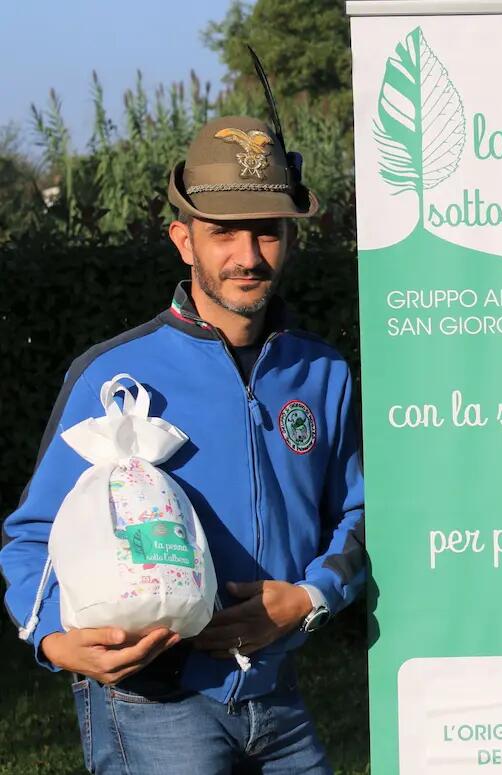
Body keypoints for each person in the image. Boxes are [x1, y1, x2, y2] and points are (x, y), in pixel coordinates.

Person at [0, 111, 364, 774]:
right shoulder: (114, 376)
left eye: (267, 231)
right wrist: (53, 637)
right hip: (153, 705)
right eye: (223, 232)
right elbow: (31, 536)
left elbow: (360, 514)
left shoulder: (323, 373)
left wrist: (309, 598)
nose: (248, 255)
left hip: (279, 699)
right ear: (183, 239)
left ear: (290, 236)